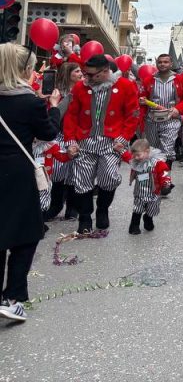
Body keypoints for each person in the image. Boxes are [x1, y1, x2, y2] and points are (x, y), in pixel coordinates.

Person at [0, 45, 63, 323]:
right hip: (17, 172)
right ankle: (12, 297)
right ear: (22, 68)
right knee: (26, 234)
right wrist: (53, 108)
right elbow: (49, 133)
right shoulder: (30, 102)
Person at [64, 53, 141, 234]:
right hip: (84, 141)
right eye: (85, 74)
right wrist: (71, 140)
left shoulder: (125, 86)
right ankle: (84, 216)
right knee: (81, 181)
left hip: (111, 142)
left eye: (91, 75)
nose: (86, 78)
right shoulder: (80, 88)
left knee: (109, 179)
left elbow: (133, 115)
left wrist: (123, 138)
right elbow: (71, 115)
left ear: (105, 71)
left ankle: (102, 209)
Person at [138, 53, 183, 181]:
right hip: (151, 119)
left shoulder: (179, 79)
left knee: (166, 149)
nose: (163, 64)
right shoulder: (149, 79)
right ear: (156, 63)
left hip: (171, 118)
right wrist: (142, 100)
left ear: (171, 64)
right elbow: (141, 96)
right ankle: (153, 178)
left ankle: (165, 180)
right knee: (153, 149)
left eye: (166, 62)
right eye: (160, 62)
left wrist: (178, 108)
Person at [47, 61, 82, 219]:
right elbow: (56, 113)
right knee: (58, 172)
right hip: (60, 135)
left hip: (77, 136)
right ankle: (56, 204)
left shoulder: (84, 91)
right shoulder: (57, 93)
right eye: (76, 71)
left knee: (75, 172)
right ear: (68, 74)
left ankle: (72, 208)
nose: (80, 74)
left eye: (81, 71)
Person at [121, 138, 170, 235]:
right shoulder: (135, 160)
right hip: (140, 191)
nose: (136, 158)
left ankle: (148, 218)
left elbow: (164, 172)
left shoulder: (157, 162)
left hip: (154, 191)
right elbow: (127, 157)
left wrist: (166, 183)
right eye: (135, 155)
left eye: (138, 155)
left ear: (147, 152)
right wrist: (121, 150)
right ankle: (134, 226)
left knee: (152, 208)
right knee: (137, 208)